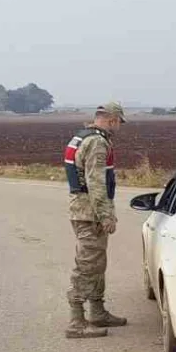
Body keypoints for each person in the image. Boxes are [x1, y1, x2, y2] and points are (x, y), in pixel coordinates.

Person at [63, 102, 129, 338]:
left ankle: (97, 312)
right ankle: (76, 322)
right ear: (111, 120)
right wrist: (106, 215)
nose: (119, 126)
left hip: (83, 210)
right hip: (89, 213)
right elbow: (96, 182)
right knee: (88, 265)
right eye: (119, 122)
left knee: (97, 263)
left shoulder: (83, 137)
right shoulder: (97, 143)